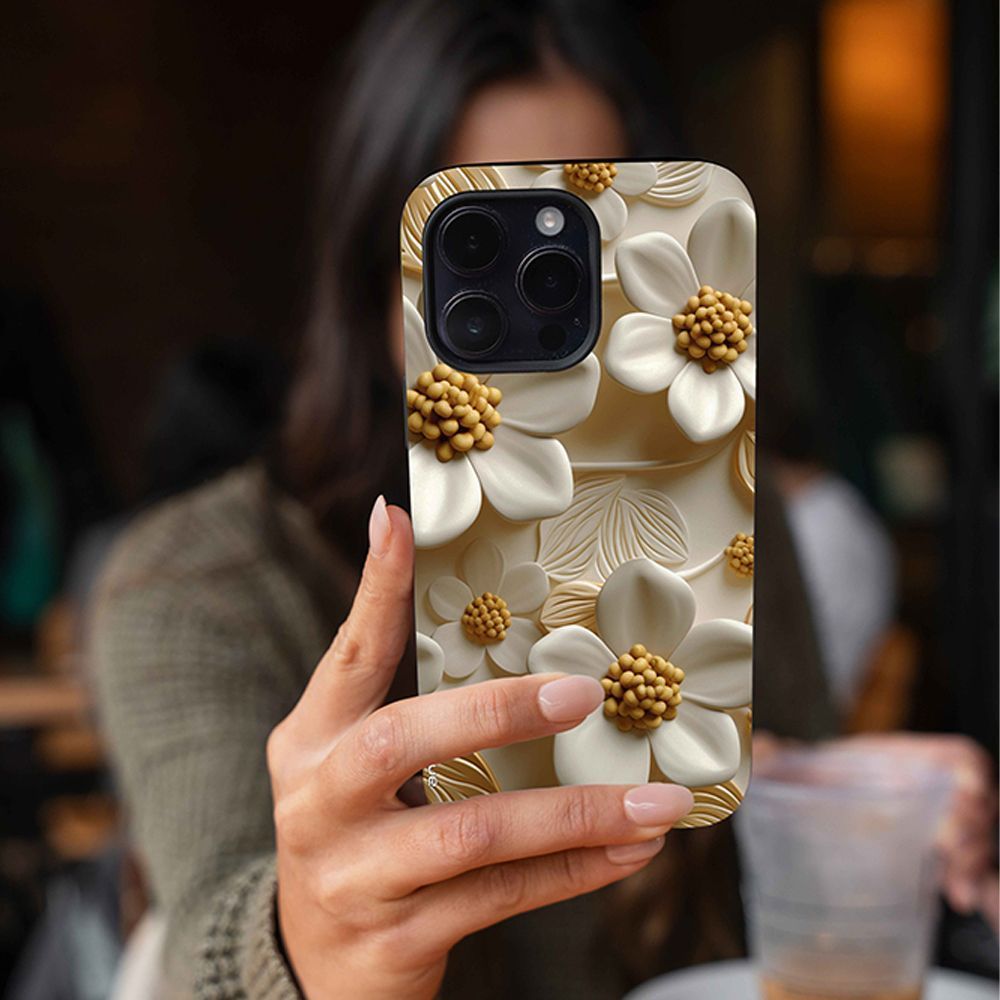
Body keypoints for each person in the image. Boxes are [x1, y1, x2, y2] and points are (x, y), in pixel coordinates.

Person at [90, 2, 994, 998]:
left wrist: (856, 814)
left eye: (587, 251)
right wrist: (301, 947)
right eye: (480, 245)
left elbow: (777, 894)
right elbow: (207, 929)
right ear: (374, 275)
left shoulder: (733, 513)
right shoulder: (201, 582)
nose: (544, 311)